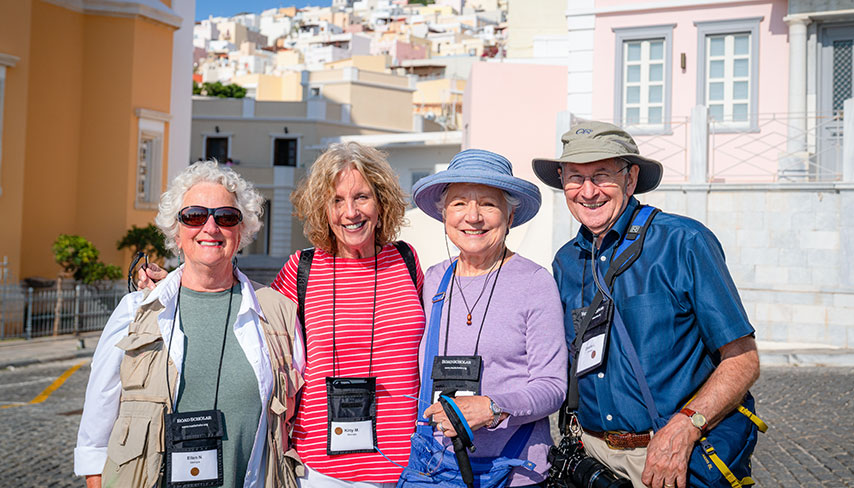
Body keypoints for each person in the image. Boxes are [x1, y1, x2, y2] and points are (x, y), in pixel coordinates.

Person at [532, 121, 761, 488]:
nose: (588, 191)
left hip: (672, 453)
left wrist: (686, 427)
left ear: (631, 178)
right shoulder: (565, 262)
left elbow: (743, 359)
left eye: (602, 175)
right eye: (575, 177)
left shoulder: (683, 242)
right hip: (593, 457)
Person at [74, 161, 303, 487]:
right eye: (194, 216)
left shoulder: (278, 313)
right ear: (176, 233)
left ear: (241, 233)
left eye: (226, 217)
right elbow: (95, 435)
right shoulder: (134, 312)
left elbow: (297, 421)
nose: (210, 227)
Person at [270, 142, 426, 487]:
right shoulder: (302, 269)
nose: (350, 212)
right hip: (322, 470)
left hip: (407, 465)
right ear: (322, 210)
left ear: (382, 202)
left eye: (362, 197)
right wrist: (171, 285)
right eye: (336, 200)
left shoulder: (407, 261)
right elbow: (252, 320)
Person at [411, 149, 568, 487]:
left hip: (515, 472)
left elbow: (553, 386)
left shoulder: (534, 282)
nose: (473, 216)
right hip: (437, 468)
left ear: (509, 217)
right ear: (443, 215)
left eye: (488, 204)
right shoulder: (434, 279)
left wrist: (494, 408)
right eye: (459, 203)